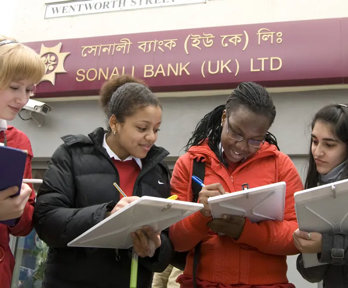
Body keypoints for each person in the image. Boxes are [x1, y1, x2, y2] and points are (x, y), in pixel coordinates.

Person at [33, 75, 174, 288]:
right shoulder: (72, 155)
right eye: (142, 128)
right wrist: (106, 215)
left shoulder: (158, 171)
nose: (151, 137)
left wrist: (156, 248)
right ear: (115, 123)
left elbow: (165, 253)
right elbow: (46, 221)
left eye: (156, 129)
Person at [169, 82, 304, 287]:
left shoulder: (280, 165)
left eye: (255, 140)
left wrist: (246, 231)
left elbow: (297, 236)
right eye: (236, 133)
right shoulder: (190, 164)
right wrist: (201, 215)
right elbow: (176, 241)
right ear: (224, 117)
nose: (241, 146)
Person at [0, 35, 45, 288]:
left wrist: (18, 212)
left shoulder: (19, 141)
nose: (23, 99)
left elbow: (25, 224)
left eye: (29, 90)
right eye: (15, 87)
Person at [293, 104, 348, 287]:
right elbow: (312, 276)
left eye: (329, 145)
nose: (317, 152)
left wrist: (326, 245)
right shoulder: (316, 186)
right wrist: (308, 248)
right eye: (315, 141)